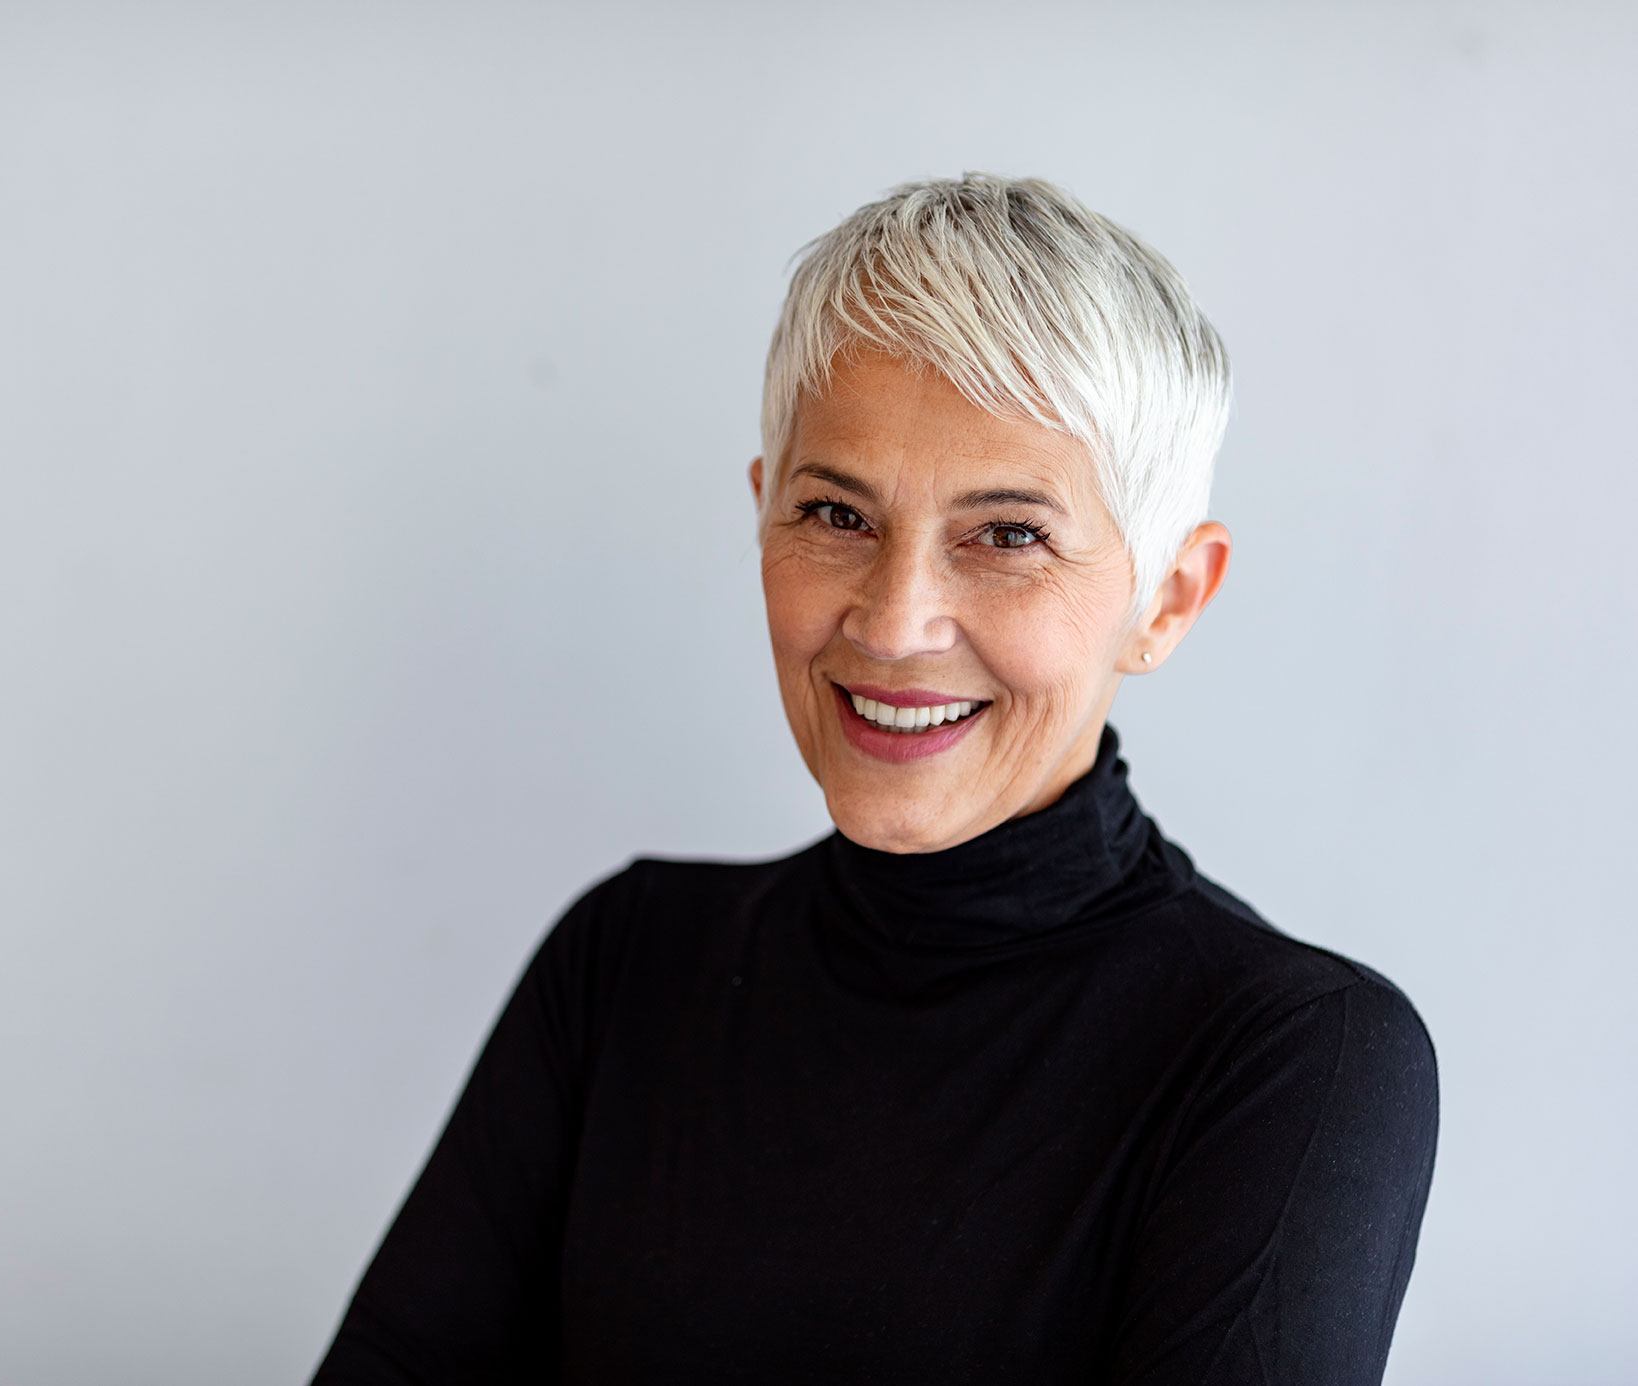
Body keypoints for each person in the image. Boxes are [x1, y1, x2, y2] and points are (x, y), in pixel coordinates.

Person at [310, 174, 1438, 1385]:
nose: (894, 625)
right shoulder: (626, 964)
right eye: (835, 514)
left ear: (1166, 598)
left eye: (1006, 534)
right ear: (761, 516)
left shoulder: (1291, 1057)